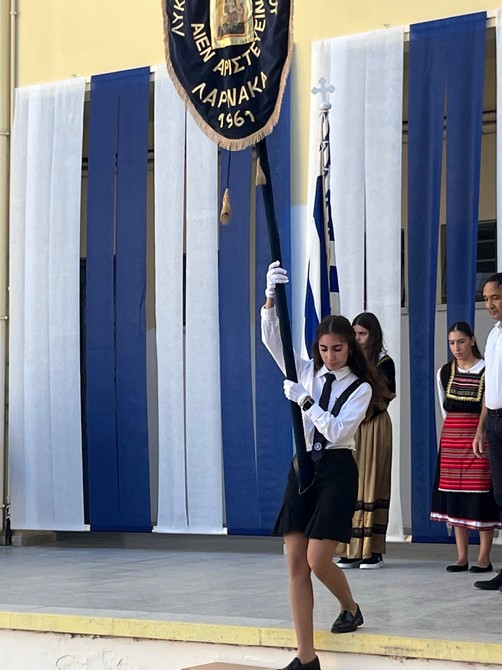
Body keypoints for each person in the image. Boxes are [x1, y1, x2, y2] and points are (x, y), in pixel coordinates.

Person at [262, 261, 390, 670]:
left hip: (336, 469)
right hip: (303, 466)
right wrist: (270, 297)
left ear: (350, 347)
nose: (329, 356)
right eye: (323, 349)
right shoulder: (307, 371)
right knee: (295, 563)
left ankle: (350, 606)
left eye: (337, 349)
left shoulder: (361, 387)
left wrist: (303, 400)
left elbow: (335, 430)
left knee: (318, 560)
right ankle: (306, 657)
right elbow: (272, 339)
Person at [431, 322, 501, 572]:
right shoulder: (444, 372)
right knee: (455, 495)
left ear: (472, 340)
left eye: (461, 342)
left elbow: (487, 405)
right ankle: (461, 556)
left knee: (481, 494)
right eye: (452, 343)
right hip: (452, 439)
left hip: (478, 437)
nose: (456, 348)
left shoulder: (487, 370)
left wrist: (480, 430)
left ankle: (484, 556)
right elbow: (444, 406)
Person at [336, 312, 396, 569]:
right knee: (350, 483)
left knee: (372, 481)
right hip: (352, 427)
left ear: (373, 335)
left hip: (373, 425)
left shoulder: (384, 361)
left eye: (362, 333)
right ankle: (350, 547)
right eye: (355, 334)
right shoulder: (348, 362)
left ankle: (372, 549)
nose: (358, 338)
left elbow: (385, 395)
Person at [473, 274, 502, 590]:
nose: (490, 304)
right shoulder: (493, 334)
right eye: (486, 299)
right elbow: (490, 385)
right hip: (494, 421)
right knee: (500, 495)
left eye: (495, 297)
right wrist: (481, 427)